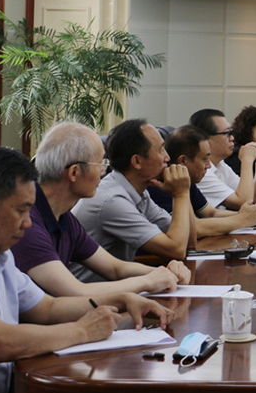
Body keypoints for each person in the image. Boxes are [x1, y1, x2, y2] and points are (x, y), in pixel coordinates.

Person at [0, 147, 172, 393]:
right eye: (21, 210)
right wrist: (81, 331)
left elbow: (47, 308)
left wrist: (122, 300)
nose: (28, 223)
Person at [10, 122, 192, 297]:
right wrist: (148, 281)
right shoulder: (28, 223)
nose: (104, 172)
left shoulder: (64, 216)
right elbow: (75, 291)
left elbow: (115, 268)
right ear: (74, 172)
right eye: (100, 165)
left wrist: (165, 273)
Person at [73, 119, 195, 282]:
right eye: (161, 150)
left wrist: (183, 193)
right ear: (137, 161)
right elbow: (176, 250)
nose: (167, 157)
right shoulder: (112, 201)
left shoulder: (138, 193)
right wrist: (180, 194)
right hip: (86, 294)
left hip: (117, 288)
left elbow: (189, 242)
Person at [148, 125, 256, 234]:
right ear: (183, 161)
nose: (208, 166)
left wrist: (246, 215)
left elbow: (211, 213)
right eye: (204, 159)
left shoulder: (186, 178)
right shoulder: (159, 185)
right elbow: (191, 229)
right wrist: (241, 220)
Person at [189, 108, 256, 209]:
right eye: (227, 133)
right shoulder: (202, 172)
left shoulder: (221, 165)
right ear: (206, 139)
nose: (232, 138)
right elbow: (244, 203)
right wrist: (247, 161)